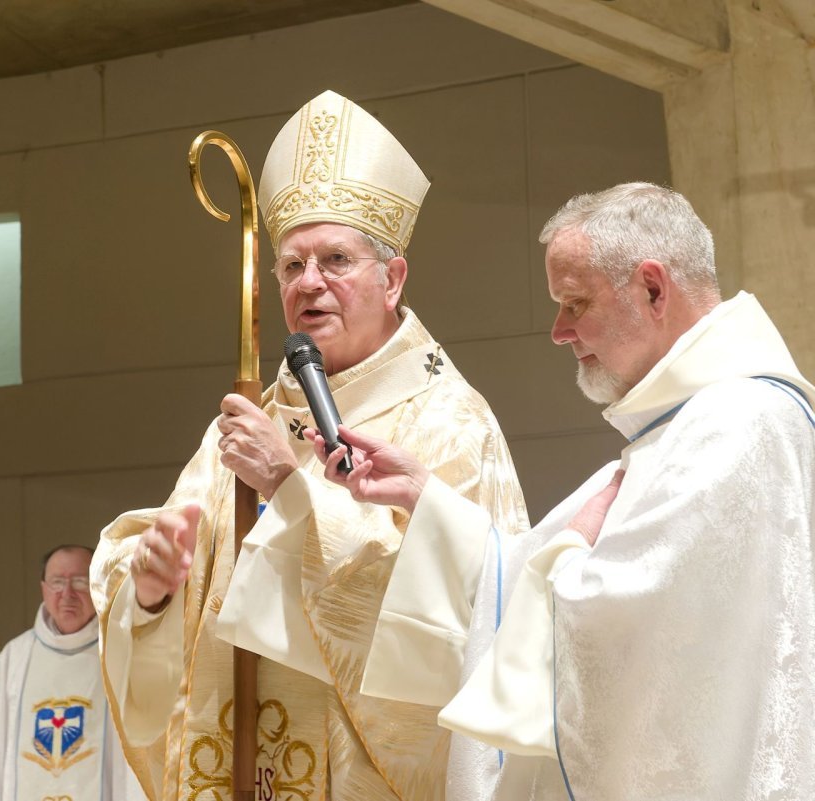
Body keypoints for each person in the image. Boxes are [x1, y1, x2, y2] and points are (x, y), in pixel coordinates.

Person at [309, 182, 815, 800]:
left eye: (575, 303)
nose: (558, 331)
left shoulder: (736, 424)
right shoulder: (689, 423)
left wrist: (568, 554)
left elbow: (623, 623)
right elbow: (531, 572)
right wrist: (422, 497)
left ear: (653, 289)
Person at [91, 89, 529, 801]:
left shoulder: (450, 421)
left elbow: (463, 622)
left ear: (393, 278)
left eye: (335, 259)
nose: (310, 283)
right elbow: (173, 571)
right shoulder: (253, 419)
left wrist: (287, 490)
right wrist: (150, 593)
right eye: (292, 266)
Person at [0, 545, 144, 801]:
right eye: (57, 582)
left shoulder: (123, 652)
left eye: (80, 582)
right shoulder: (15, 657)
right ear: (43, 589)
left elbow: (144, 750)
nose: (67, 594)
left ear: (99, 585)